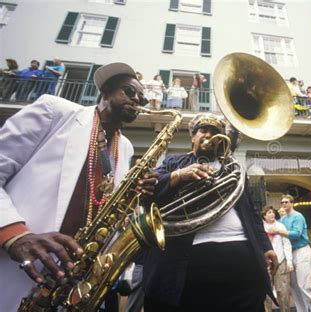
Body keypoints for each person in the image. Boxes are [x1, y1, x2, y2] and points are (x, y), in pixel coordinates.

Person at [0, 62, 158, 312]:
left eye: (142, 96)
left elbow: (105, 205)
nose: (137, 99)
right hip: (17, 266)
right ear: (105, 90)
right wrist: (14, 235)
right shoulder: (54, 110)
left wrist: (134, 195)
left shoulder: (124, 146)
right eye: (129, 91)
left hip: (72, 281)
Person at [142, 113, 278, 312]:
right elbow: (149, 193)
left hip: (241, 254)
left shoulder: (233, 169)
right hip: (190, 258)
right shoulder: (174, 162)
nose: (209, 135)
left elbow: (252, 212)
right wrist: (180, 175)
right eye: (203, 131)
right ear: (192, 137)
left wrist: (265, 245)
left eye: (215, 132)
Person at [269, 194, 311, 312]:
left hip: (302, 251)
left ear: (292, 203)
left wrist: (279, 231)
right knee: (294, 287)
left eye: (286, 202)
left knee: (304, 286)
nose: (284, 204)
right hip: (290, 254)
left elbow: (297, 234)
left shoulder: (298, 216)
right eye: (282, 202)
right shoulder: (282, 219)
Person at [262, 206, 293, 312]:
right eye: (269, 212)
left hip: (280, 262)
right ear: (264, 216)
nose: (272, 214)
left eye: (273, 212)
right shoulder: (260, 228)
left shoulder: (280, 225)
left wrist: (289, 261)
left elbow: (286, 244)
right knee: (266, 294)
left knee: (283, 292)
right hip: (266, 264)